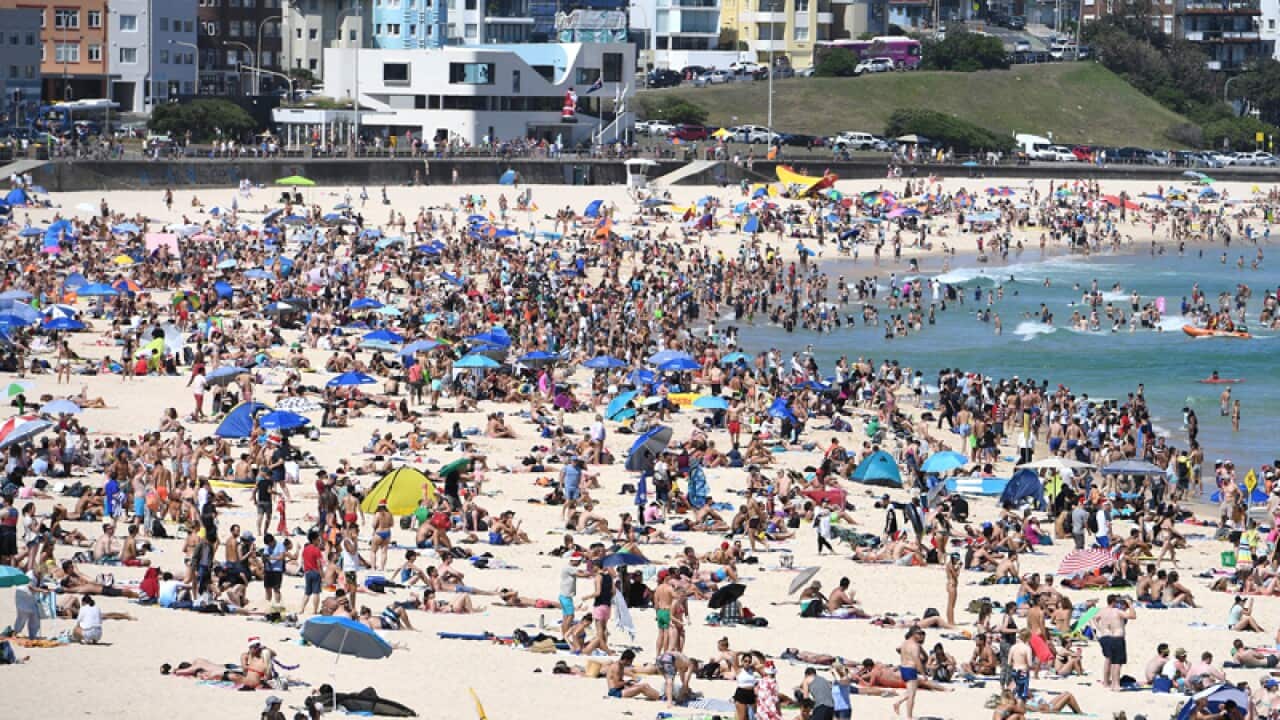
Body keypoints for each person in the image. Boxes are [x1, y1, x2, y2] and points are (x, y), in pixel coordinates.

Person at [1095, 595, 1136, 691]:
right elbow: (1133, 616)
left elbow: (1094, 619)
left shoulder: (1102, 610)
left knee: (1108, 659)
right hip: (1116, 638)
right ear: (1113, 602)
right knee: (1117, 662)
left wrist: (1100, 629)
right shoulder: (1117, 611)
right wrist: (1130, 605)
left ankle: (1106, 682)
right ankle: (1115, 684)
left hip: (1104, 637)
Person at [893, 627, 926, 720]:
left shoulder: (904, 642)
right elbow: (917, 659)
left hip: (903, 668)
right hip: (910, 669)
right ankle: (909, 717)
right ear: (913, 634)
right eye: (919, 634)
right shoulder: (915, 646)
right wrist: (923, 673)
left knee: (910, 691)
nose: (921, 636)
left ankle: (898, 702)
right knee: (911, 695)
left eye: (921, 634)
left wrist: (905, 655)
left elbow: (898, 649)